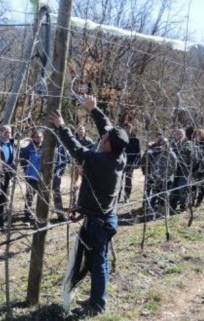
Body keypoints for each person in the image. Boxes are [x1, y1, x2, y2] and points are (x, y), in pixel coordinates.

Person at [50, 95, 129, 316]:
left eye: (104, 137)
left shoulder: (100, 162)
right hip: (103, 218)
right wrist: (94, 109)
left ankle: (97, 305)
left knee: (98, 262)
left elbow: (77, 149)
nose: (102, 136)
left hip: (98, 222)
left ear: (106, 144)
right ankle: (96, 298)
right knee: (97, 260)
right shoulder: (119, 157)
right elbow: (109, 129)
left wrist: (62, 127)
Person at [144, 136, 177, 218]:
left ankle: (165, 213)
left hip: (167, 179)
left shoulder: (171, 154)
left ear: (167, 145)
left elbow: (173, 167)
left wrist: (165, 177)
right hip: (157, 179)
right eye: (160, 144)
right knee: (156, 195)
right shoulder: (157, 154)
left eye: (163, 144)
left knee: (164, 196)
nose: (161, 146)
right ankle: (157, 212)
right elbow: (153, 166)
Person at [19, 128, 44, 225]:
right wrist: (26, 170)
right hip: (31, 177)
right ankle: (27, 216)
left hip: (43, 177)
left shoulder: (45, 149)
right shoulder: (27, 149)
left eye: (41, 137)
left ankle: (40, 216)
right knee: (29, 197)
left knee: (42, 197)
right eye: (36, 137)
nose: (39, 138)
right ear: (33, 138)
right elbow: (22, 161)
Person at [169, 128, 193, 212]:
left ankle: (183, 206)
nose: (179, 135)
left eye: (181, 133)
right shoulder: (172, 145)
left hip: (184, 171)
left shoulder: (188, 144)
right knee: (173, 189)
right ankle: (172, 207)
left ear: (184, 135)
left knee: (182, 189)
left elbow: (189, 157)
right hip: (174, 171)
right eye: (177, 133)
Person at [120, 123, 141, 203]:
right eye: (126, 128)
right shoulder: (120, 138)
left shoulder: (135, 140)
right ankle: (117, 197)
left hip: (130, 163)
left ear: (131, 129)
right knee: (119, 180)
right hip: (120, 163)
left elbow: (138, 153)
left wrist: (135, 163)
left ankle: (126, 196)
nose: (127, 130)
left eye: (129, 128)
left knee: (128, 180)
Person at [52, 144, 69, 221]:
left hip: (56, 175)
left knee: (56, 194)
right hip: (44, 173)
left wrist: (59, 173)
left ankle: (60, 215)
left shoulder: (61, 145)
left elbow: (64, 160)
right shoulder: (46, 143)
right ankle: (30, 213)